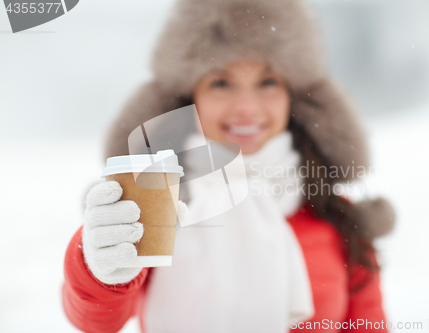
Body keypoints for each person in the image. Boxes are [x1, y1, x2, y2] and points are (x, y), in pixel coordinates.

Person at [62, 0, 396, 332]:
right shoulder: (152, 205)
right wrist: (99, 266)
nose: (247, 107)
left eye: (268, 83)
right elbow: (97, 320)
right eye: (221, 83)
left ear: (294, 97)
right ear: (189, 98)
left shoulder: (338, 219)